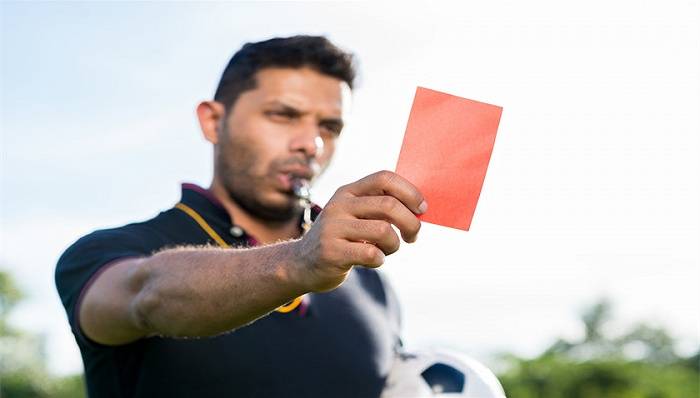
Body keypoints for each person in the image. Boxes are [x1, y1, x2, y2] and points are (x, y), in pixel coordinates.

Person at [55, 35, 427, 398]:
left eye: (328, 128)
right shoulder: (104, 253)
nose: (311, 144)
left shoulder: (371, 284)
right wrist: (299, 261)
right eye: (283, 115)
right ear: (214, 122)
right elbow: (146, 295)